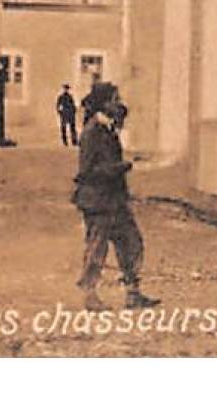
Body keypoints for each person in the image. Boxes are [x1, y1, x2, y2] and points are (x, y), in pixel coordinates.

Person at [71, 82, 157, 310]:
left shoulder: (108, 129)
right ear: (103, 103)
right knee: (96, 248)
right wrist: (121, 167)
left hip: (114, 200)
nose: (118, 103)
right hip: (97, 201)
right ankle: (89, 296)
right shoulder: (92, 132)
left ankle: (132, 293)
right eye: (114, 99)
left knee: (131, 243)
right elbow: (87, 171)